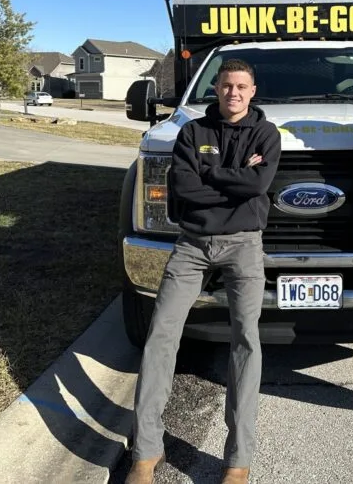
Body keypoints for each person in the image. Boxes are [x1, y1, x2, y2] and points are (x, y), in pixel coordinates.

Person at [126, 58, 281, 484]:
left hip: (245, 245)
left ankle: (238, 458)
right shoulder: (192, 131)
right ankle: (146, 451)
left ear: (253, 91)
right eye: (226, 85)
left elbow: (257, 187)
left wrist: (210, 174)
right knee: (161, 333)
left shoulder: (266, 133)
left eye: (242, 86)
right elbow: (184, 188)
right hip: (192, 245)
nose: (234, 93)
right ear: (216, 88)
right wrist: (232, 177)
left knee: (246, 339)